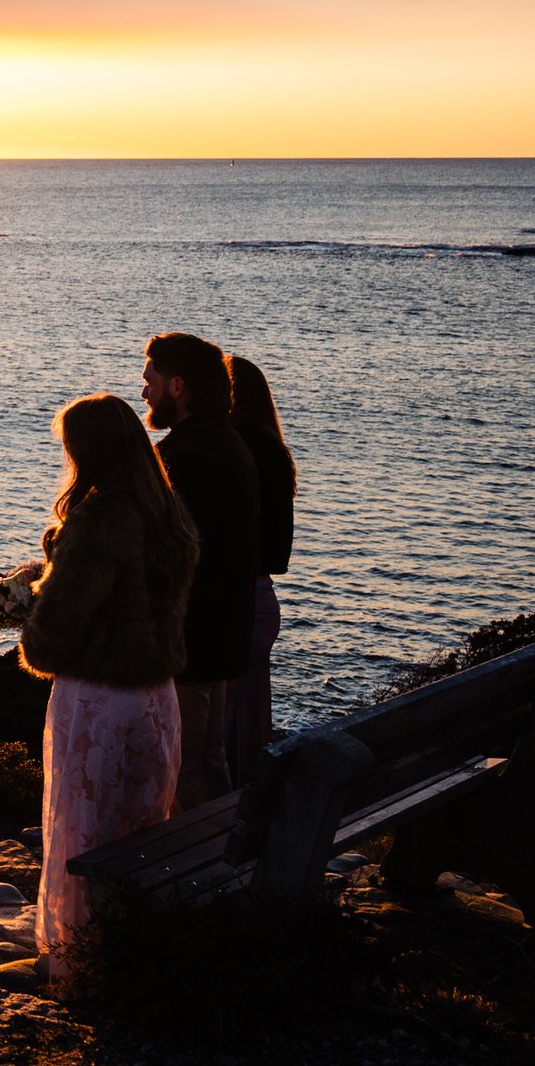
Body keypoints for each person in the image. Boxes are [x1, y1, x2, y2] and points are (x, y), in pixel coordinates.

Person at [14, 393, 199, 982]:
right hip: (157, 699)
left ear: (86, 451)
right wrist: (54, 559)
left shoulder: (99, 520)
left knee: (84, 831)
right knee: (139, 827)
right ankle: (132, 950)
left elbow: (54, 637)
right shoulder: (167, 511)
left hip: (98, 703)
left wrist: (27, 609)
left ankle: (78, 963)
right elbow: (134, 598)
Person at [139, 333, 259, 811]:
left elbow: (165, 551)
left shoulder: (183, 457)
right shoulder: (230, 443)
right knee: (209, 759)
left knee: (180, 766)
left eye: (150, 381)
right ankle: (220, 860)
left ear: (177, 386)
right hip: (222, 632)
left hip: (190, 636)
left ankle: (181, 874)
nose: (144, 391)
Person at [226, 355, 296, 788]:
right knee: (249, 720)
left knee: (221, 727)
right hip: (261, 598)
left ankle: (221, 828)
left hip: (235, 603)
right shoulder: (273, 449)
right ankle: (250, 814)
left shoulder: (234, 446)